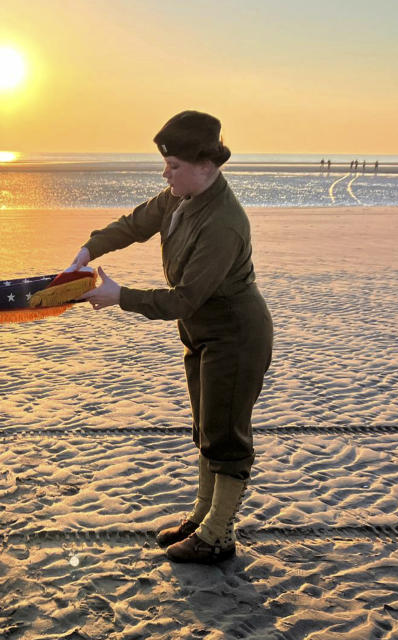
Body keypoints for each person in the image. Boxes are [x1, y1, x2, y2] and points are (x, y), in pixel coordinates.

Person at [68, 111, 273, 564]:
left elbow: (184, 299)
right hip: (202, 335)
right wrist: (90, 249)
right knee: (205, 426)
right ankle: (203, 516)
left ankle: (219, 535)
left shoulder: (224, 221)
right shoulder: (180, 197)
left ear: (206, 164)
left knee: (226, 435)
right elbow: (136, 223)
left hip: (235, 335)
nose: (166, 172)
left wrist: (118, 296)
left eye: (174, 164)